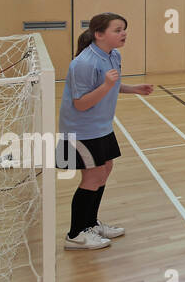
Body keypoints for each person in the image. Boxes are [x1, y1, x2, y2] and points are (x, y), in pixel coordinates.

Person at [55, 13, 154, 250]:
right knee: (93, 176)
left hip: (101, 126)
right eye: (117, 30)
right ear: (99, 35)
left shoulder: (113, 55)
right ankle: (76, 234)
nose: (123, 34)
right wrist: (107, 85)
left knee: (105, 169)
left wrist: (133, 89)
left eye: (124, 29)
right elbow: (81, 103)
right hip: (81, 130)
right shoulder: (83, 63)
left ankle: (90, 224)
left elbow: (110, 86)